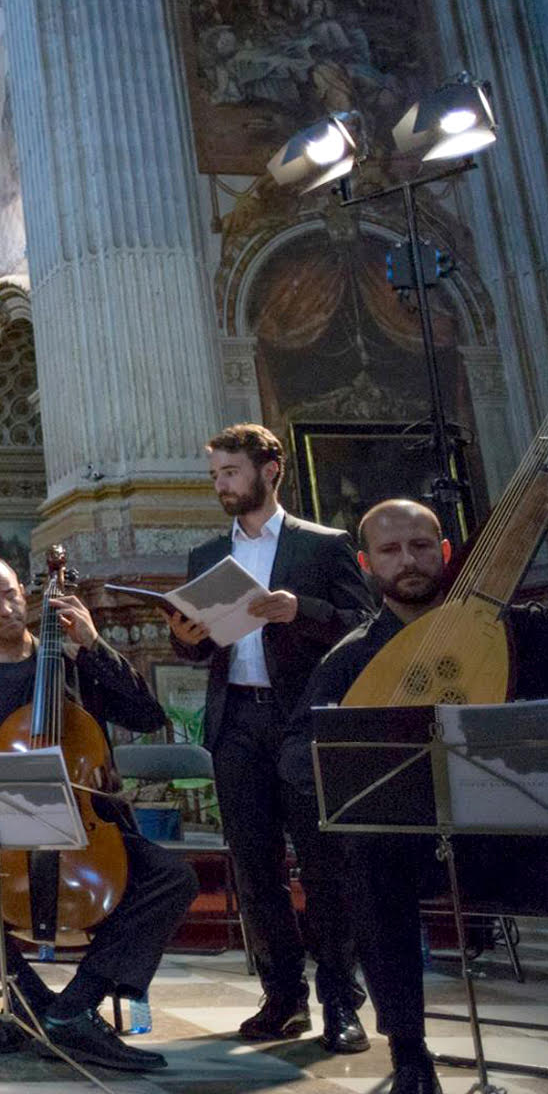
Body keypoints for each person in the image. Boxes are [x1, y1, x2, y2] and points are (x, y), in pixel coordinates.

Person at [277, 485, 548, 1094]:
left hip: (518, 836)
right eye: (389, 550)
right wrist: (347, 770)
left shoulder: (515, 631)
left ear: (445, 551)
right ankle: (410, 1056)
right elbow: (298, 754)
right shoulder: (351, 659)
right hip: (408, 849)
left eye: (419, 546)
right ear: (366, 564)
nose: (407, 561)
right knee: (369, 868)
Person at [0, 556, 197, 1073]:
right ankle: (31, 1001)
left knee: (173, 879)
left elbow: (146, 715)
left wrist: (94, 645)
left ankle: (75, 1005)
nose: (8, 608)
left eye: (12, 593)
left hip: (82, 831)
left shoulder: (77, 669)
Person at [169, 423, 373, 1051]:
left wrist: (302, 611)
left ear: (270, 470)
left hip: (303, 720)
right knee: (254, 869)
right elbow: (196, 647)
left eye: (230, 473)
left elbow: (367, 627)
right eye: (215, 476)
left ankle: (341, 1000)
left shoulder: (323, 545)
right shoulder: (207, 558)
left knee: (323, 864)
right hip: (237, 723)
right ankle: (282, 997)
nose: (221, 485)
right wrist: (188, 638)